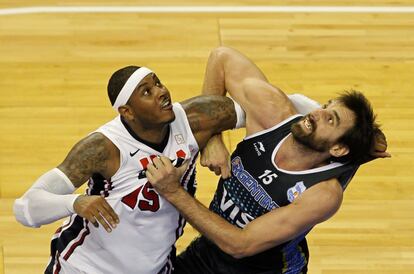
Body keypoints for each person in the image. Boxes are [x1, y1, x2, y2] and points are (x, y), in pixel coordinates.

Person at [13, 64, 322, 273]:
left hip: (158, 268)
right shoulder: (102, 148)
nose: (161, 92)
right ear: (127, 111)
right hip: (86, 267)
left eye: (158, 83)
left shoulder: (194, 118)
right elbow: (26, 208)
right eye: (146, 92)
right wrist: (75, 202)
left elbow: (279, 108)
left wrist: (213, 139)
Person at [146, 47, 389, 274]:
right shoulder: (273, 113)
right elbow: (222, 57)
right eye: (325, 107)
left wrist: (174, 192)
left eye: (330, 120)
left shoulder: (323, 194)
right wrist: (212, 137)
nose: (316, 113)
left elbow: (240, 245)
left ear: (337, 148)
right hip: (209, 250)